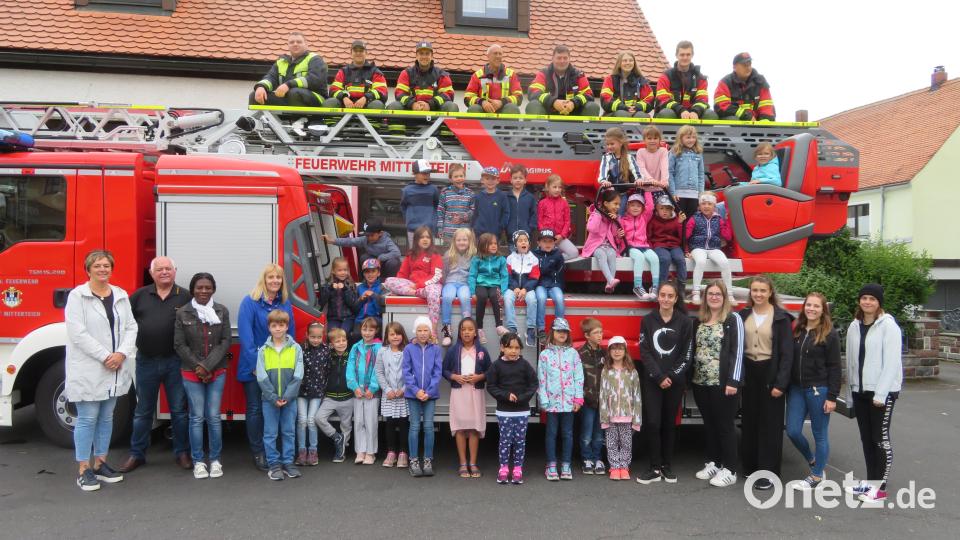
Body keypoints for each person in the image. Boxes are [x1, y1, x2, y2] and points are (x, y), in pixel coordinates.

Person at [65, 250, 138, 492]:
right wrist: (106, 356)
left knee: (107, 418)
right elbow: (78, 333)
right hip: (91, 367)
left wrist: (121, 354)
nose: (102, 269)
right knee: (87, 418)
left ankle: (101, 463)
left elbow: (131, 327)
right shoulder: (78, 296)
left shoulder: (120, 295)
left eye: (106, 265)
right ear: (88, 269)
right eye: (97, 265)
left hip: (115, 366)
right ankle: (84, 469)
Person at [122, 256, 191, 473]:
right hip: (146, 361)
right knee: (143, 411)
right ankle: (137, 454)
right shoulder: (139, 296)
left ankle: (182, 453)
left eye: (168, 269)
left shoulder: (186, 297)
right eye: (159, 269)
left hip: (175, 362)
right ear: (151, 273)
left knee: (179, 411)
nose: (164, 272)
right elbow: (125, 324)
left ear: (175, 271)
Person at [845, 284, 903, 504]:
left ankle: (880, 488)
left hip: (881, 394)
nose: (867, 302)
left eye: (872, 299)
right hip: (860, 391)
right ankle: (871, 482)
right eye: (864, 298)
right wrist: (851, 392)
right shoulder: (854, 326)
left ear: (879, 302)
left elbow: (891, 363)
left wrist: (881, 394)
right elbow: (851, 361)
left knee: (880, 439)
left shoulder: (889, 326)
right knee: (866, 439)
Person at [237, 263, 296, 471]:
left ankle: (277, 453)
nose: (275, 281)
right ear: (264, 279)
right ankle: (259, 452)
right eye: (271, 277)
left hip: (280, 369)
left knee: (278, 410)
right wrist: (258, 366)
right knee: (256, 410)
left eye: (278, 278)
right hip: (255, 369)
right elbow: (246, 338)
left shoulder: (285, 303)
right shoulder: (250, 302)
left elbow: (292, 338)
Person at [738, 275, 794, 491]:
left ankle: (768, 473)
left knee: (770, 425)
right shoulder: (743, 315)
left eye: (763, 290)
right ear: (750, 293)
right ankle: (751, 466)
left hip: (771, 372)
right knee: (750, 421)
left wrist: (781, 383)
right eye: (755, 290)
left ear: (770, 292)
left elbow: (787, 354)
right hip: (750, 372)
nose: (758, 294)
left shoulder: (781, 318)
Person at [173, 272, 231, 480]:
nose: (204, 291)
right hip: (190, 372)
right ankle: (198, 461)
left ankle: (215, 460)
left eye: (208, 287)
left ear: (213, 289)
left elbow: (225, 342)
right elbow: (179, 344)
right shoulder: (183, 313)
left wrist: (207, 366)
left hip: (217, 371)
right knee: (196, 417)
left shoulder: (222, 311)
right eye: (200, 288)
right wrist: (198, 366)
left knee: (214, 417)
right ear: (193, 290)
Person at [637, 281, 693, 484]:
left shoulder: (685, 322)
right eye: (663, 295)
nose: (666, 299)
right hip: (653, 380)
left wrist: (671, 376)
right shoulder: (648, 320)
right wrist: (659, 376)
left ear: (676, 299)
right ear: (658, 297)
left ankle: (666, 466)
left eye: (670, 296)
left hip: (675, 382)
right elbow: (644, 351)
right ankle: (654, 467)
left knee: (669, 424)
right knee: (652, 423)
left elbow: (686, 354)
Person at [690, 280, 743, 488]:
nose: (713, 297)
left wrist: (733, 381)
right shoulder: (699, 320)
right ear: (705, 298)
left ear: (724, 297)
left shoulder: (732, 319)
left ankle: (730, 470)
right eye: (710, 294)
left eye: (717, 294)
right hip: (701, 381)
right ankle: (714, 462)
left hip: (723, 383)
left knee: (725, 426)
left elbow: (737, 352)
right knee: (709, 424)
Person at [786, 292, 841, 491]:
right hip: (796, 389)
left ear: (823, 310)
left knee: (820, 434)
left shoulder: (829, 333)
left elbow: (835, 367)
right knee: (792, 430)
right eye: (808, 305)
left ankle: (817, 476)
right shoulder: (798, 329)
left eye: (816, 306)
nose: (811, 309)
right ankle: (812, 459)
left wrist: (832, 397)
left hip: (819, 390)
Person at [256, 309, 304, 481]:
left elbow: (298, 375)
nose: (278, 329)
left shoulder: (295, 348)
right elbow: (261, 377)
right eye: (274, 325)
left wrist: (287, 396)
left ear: (287, 326)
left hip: (289, 400)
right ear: (269, 327)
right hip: (269, 401)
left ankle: (288, 462)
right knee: (270, 433)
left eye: (281, 325)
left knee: (289, 431)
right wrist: (273, 397)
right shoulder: (263, 351)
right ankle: (274, 464)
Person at [443, 318, 491, 478]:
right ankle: (463, 463)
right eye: (463, 329)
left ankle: (473, 463)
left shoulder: (482, 351)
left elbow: (491, 371)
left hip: (475, 393)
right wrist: (454, 377)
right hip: (459, 393)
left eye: (470, 329)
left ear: (475, 332)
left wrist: (480, 377)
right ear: (459, 332)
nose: (466, 332)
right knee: (461, 428)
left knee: (473, 428)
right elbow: (444, 370)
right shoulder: (453, 351)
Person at [486, 331, 537, 484]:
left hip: (522, 410)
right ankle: (503, 468)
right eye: (510, 348)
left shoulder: (525, 364)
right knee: (505, 440)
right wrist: (505, 395)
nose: (514, 351)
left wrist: (522, 398)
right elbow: (491, 386)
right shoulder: (496, 366)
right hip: (504, 411)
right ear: (502, 348)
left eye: (517, 348)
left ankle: (517, 469)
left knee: (520, 440)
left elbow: (533, 384)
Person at [538, 318, 584, 481]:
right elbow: (541, 378)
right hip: (551, 402)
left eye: (565, 331)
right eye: (559, 331)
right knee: (551, 433)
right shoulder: (544, 355)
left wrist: (578, 399)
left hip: (569, 403)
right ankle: (551, 464)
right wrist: (543, 399)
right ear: (552, 333)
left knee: (567, 434)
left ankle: (566, 463)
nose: (562, 334)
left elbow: (579, 377)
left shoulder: (573, 354)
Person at [403, 316, 443, 478]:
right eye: (419, 330)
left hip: (430, 395)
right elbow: (406, 371)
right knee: (414, 427)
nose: (422, 333)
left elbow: (437, 372)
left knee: (428, 426)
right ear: (415, 331)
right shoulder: (408, 348)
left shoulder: (435, 349)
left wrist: (429, 391)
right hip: (413, 395)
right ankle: (413, 460)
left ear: (430, 331)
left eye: (425, 330)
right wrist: (416, 391)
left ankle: (427, 460)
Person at [384, 226, 444, 333]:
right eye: (422, 237)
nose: (425, 239)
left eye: (427, 237)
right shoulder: (411, 255)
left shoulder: (435, 255)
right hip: (413, 287)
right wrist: (397, 289)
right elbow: (402, 274)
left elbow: (436, 276)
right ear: (416, 240)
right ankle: (415, 292)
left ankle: (433, 331)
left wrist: (418, 286)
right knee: (389, 281)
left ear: (431, 239)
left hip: (430, 286)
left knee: (433, 293)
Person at [599, 336, 643, 481]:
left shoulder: (632, 372)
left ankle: (624, 467)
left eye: (620, 348)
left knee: (626, 443)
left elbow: (637, 396)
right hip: (611, 415)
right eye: (614, 348)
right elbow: (603, 395)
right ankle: (614, 466)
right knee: (611, 443)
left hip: (627, 415)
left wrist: (637, 419)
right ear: (609, 351)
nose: (617, 352)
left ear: (625, 351)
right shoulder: (606, 371)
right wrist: (604, 417)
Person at [250, 32, 328, 107]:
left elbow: (315, 79)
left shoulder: (315, 59)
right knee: (255, 95)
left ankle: (307, 120)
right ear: (288, 45)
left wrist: (288, 85)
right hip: (289, 98)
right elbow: (271, 77)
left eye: (299, 42)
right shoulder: (281, 62)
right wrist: (261, 87)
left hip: (316, 99)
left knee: (294, 92)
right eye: (292, 42)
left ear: (306, 44)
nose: (295, 44)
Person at [686, 192, 734, 304]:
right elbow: (686, 236)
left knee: (725, 263)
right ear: (699, 206)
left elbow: (728, 236)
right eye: (703, 203)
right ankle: (696, 292)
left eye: (709, 204)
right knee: (701, 261)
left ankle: (729, 294)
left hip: (714, 248)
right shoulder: (694, 218)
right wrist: (686, 250)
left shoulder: (719, 219)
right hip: (697, 247)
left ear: (714, 206)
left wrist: (727, 221)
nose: (706, 206)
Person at [346, 317, 382, 465]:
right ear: (360, 330)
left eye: (371, 330)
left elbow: (378, 369)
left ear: (376, 331)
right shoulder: (355, 347)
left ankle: (371, 452)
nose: (367, 333)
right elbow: (349, 369)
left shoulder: (378, 348)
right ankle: (360, 450)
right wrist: (354, 387)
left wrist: (372, 388)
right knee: (359, 421)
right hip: (358, 393)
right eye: (364, 329)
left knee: (371, 422)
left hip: (371, 394)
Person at [527, 45, 601, 116]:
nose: (562, 61)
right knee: (533, 105)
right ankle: (539, 129)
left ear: (569, 59)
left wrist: (573, 103)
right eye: (559, 58)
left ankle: (586, 129)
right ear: (552, 58)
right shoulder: (544, 73)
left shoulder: (579, 75)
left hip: (573, 115)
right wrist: (553, 102)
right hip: (549, 115)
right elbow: (533, 92)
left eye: (565, 58)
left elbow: (589, 94)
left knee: (592, 106)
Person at [315, 328, 352, 463]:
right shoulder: (328, 356)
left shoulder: (351, 355)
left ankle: (341, 451)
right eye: (337, 341)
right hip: (330, 397)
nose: (341, 343)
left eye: (343, 340)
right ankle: (337, 437)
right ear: (331, 344)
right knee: (319, 418)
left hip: (348, 397)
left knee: (346, 426)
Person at [387, 41, 458, 112]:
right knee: (394, 106)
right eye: (421, 54)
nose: (424, 57)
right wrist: (412, 104)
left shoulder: (441, 74)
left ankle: (443, 124)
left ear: (432, 56)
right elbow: (399, 93)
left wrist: (430, 104)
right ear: (416, 56)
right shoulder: (406, 73)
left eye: (427, 54)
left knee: (451, 106)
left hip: (435, 112)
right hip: (411, 112)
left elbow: (448, 94)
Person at [322, 216, 402, 279]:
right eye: (367, 235)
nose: (369, 238)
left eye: (372, 235)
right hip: (373, 265)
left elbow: (396, 252)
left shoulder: (387, 241)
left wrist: (381, 258)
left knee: (393, 262)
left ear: (380, 233)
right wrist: (332, 241)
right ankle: (367, 278)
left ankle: (389, 281)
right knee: (364, 257)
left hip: (385, 266)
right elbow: (350, 241)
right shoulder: (364, 239)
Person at [295, 322, 329, 467]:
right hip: (301, 391)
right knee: (302, 420)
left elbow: (328, 370)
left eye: (319, 337)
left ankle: (313, 451)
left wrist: (324, 389)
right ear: (307, 335)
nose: (316, 340)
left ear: (323, 336)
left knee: (311, 420)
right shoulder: (301, 349)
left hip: (317, 392)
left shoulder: (326, 350)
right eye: (312, 337)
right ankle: (302, 451)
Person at [376, 322, 410, 469]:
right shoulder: (382, 352)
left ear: (403, 335)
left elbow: (412, 372)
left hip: (404, 395)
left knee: (403, 423)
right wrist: (387, 389)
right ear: (387, 336)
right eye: (392, 334)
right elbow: (379, 372)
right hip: (389, 395)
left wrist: (404, 389)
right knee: (389, 423)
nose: (395, 336)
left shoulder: (408, 351)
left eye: (398, 333)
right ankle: (391, 452)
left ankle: (403, 452)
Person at [655, 40, 717, 120]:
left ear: (692, 55)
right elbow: (662, 99)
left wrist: (695, 111)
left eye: (688, 55)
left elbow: (702, 99)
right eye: (682, 55)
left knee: (710, 114)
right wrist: (681, 110)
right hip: (672, 114)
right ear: (676, 55)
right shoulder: (666, 76)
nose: (685, 57)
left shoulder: (700, 78)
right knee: (667, 113)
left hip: (692, 115)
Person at [581, 188, 626, 294]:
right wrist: (598, 214)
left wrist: (616, 221)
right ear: (606, 203)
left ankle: (609, 284)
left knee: (612, 254)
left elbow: (615, 235)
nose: (618, 207)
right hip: (595, 246)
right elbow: (592, 229)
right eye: (615, 204)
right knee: (601, 254)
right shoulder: (596, 214)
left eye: (619, 205)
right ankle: (610, 280)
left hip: (609, 246)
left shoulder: (615, 218)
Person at [577, 317, 606, 476]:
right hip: (587, 401)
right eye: (596, 333)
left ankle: (597, 458)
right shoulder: (581, 353)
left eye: (601, 332)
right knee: (587, 432)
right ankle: (586, 458)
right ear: (587, 335)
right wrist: (582, 396)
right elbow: (577, 377)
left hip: (602, 401)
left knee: (599, 433)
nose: (600, 335)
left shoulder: (604, 353)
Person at [469, 232, 509, 344]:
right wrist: (472, 292)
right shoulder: (477, 259)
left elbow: (504, 276)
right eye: (490, 244)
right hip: (480, 284)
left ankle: (499, 326)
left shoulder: (500, 259)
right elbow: (472, 275)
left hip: (495, 284)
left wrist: (504, 291)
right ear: (482, 245)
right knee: (481, 297)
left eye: (495, 243)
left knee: (496, 297)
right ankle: (479, 328)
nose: (493, 246)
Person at [324, 40, 387, 109]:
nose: (358, 53)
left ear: (366, 53)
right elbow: (333, 89)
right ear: (351, 53)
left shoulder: (375, 72)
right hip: (346, 108)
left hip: (367, 107)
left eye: (361, 51)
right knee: (330, 103)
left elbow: (382, 91)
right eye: (355, 51)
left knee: (377, 105)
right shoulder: (343, 72)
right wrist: (344, 97)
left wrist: (366, 98)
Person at [713, 52, 775, 121]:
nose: (748, 67)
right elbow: (721, 106)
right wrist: (746, 116)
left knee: (769, 121)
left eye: (749, 64)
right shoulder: (725, 83)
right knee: (733, 119)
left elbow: (766, 107)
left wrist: (763, 125)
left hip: (756, 124)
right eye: (744, 65)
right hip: (735, 126)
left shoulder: (760, 82)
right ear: (734, 67)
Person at [440, 228, 476, 347]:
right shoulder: (449, 254)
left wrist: (473, 288)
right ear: (454, 241)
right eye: (459, 240)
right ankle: (447, 330)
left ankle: (467, 329)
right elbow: (444, 272)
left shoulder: (473, 255)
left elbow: (473, 273)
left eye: (464, 240)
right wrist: (442, 285)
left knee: (465, 298)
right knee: (447, 297)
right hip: (450, 282)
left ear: (470, 241)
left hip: (464, 283)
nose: (461, 242)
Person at [504, 230, 540, 346]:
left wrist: (525, 289)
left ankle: (530, 329)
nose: (523, 242)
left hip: (527, 288)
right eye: (520, 241)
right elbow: (507, 276)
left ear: (529, 244)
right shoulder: (510, 258)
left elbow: (534, 277)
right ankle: (512, 328)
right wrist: (514, 288)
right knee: (507, 298)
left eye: (525, 240)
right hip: (513, 287)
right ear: (515, 244)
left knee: (532, 300)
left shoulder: (533, 259)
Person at [464, 44, 523, 114]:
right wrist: (482, 102)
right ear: (488, 56)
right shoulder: (477, 75)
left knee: (512, 108)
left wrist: (502, 102)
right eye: (495, 53)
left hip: (504, 114)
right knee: (474, 108)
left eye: (500, 54)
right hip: (484, 113)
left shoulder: (511, 75)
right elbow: (468, 97)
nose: (498, 56)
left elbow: (519, 96)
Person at [669, 124, 705, 237]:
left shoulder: (698, 153)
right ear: (681, 138)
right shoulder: (675, 152)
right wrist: (673, 192)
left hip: (694, 194)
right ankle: (678, 243)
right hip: (679, 193)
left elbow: (700, 174)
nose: (691, 140)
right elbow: (669, 172)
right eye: (688, 137)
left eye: (693, 137)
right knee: (679, 219)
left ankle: (687, 245)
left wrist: (701, 193)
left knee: (690, 221)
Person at [648, 195, 688, 297]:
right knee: (665, 259)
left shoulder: (676, 220)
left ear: (672, 210)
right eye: (661, 208)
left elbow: (682, 236)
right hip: (659, 245)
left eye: (667, 209)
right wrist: (650, 248)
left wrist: (680, 223)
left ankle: (681, 286)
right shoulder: (653, 220)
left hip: (674, 245)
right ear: (657, 208)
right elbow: (649, 236)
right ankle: (662, 286)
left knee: (680, 259)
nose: (664, 211)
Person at [622, 192, 659, 300]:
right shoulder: (623, 219)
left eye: (638, 206)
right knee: (639, 257)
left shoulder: (644, 217)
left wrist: (646, 190)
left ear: (643, 208)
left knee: (654, 258)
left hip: (644, 245)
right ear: (627, 207)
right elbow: (617, 235)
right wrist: (619, 236)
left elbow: (651, 206)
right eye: (632, 205)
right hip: (630, 247)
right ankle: (637, 286)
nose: (635, 208)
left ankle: (655, 286)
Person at [598, 127, 643, 214]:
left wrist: (639, 179)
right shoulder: (606, 158)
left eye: (612, 144)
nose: (609, 146)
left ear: (620, 142)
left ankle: (619, 227)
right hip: (611, 193)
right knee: (609, 214)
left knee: (620, 214)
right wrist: (604, 180)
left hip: (622, 193)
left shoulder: (628, 157)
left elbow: (635, 170)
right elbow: (603, 170)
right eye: (607, 144)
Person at [534, 229, 567, 343]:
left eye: (550, 242)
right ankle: (541, 330)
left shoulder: (558, 254)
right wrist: (546, 270)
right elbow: (536, 271)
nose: (548, 244)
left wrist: (559, 284)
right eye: (544, 241)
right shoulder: (534, 254)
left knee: (559, 299)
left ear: (554, 243)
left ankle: (559, 327)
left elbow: (561, 271)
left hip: (554, 284)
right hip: (540, 284)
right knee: (541, 298)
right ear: (538, 243)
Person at [537, 174, 579, 261]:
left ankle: (554, 259)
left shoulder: (564, 203)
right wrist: (547, 235)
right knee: (540, 257)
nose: (557, 190)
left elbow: (567, 221)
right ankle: (549, 260)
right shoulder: (542, 203)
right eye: (554, 187)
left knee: (574, 253)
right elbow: (539, 221)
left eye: (559, 187)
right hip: (547, 238)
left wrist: (562, 235)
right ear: (548, 187)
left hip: (560, 238)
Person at [400, 159, 440, 247]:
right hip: (413, 229)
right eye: (424, 173)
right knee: (414, 254)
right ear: (415, 174)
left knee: (429, 254)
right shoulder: (407, 190)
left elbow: (437, 206)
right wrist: (409, 221)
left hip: (429, 229)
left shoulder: (434, 189)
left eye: (428, 173)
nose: (427, 176)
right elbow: (403, 207)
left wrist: (434, 223)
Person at [601, 51, 654, 117]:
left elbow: (650, 99)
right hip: (614, 114)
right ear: (619, 63)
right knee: (622, 114)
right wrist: (624, 107)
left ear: (634, 63)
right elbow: (605, 99)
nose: (628, 63)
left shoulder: (641, 80)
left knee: (642, 116)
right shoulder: (610, 79)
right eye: (624, 61)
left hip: (636, 112)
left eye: (631, 60)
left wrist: (637, 107)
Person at [436, 163, 475, 245]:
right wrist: (440, 228)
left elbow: (474, 210)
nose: (459, 179)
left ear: (464, 177)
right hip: (449, 233)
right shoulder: (445, 193)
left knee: (464, 255)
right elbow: (440, 212)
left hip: (465, 233)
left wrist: (462, 216)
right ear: (450, 179)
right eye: (456, 176)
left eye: (461, 176)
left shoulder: (470, 193)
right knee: (449, 255)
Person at [318, 257, 359, 336]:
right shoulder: (328, 285)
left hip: (348, 318)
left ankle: (345, 348)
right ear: (333, 271)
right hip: (333, 318)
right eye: (340, 270)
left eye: (345, 270)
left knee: (343, 333)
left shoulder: (350, 285)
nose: (343, 272)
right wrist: (329, 289)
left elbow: (353, 304)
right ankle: (334, 348)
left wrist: (345, 289)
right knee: (332, 334)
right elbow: (321, 302)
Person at [472, 166, 510, 241]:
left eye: (493, 179)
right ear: (482, 180)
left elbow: (506, 213)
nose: (490, 181)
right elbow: (475, 213)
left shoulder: (502, 196)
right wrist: (473, 227)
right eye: (487, 179)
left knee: (493, 251)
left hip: (495, 232)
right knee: (480, 252)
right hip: (479, 233)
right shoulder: (478, 196)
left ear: (498, 180)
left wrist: (500, 227)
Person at [354, 259, 386, 340]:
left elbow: (383, 306)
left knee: (374, 339)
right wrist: (361, 299)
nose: (370, 274)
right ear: (364, 274)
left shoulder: (382, 288)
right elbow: (354, 308)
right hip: (360, 319)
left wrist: (373, 295)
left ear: (378, 273)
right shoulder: (359, 287)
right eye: (367, 272)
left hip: (375, 319)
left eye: (373, 271)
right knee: (356, 337)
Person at [506, 164, 538, 242]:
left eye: (521, 178)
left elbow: (534, 214)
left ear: (525, 180)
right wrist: (506, 227)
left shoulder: (530, 197)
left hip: (526, 235)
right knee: (513, 253)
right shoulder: (506, 197)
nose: (518, 180)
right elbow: (503, 214)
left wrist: (529, 228)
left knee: (524, 254)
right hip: (511, 234)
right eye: (515, 178)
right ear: (511, 180)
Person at [636, 126, 670, 199]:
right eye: (649, 138)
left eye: (655, 138)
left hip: (659, 187)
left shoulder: (663, 151)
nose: (652, 141)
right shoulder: (640, 152)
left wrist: (664, 181)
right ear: (644, 140)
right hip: (644, 188)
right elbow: (642, 168)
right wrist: (650, 180)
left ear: (659, 140)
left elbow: (664, 167)